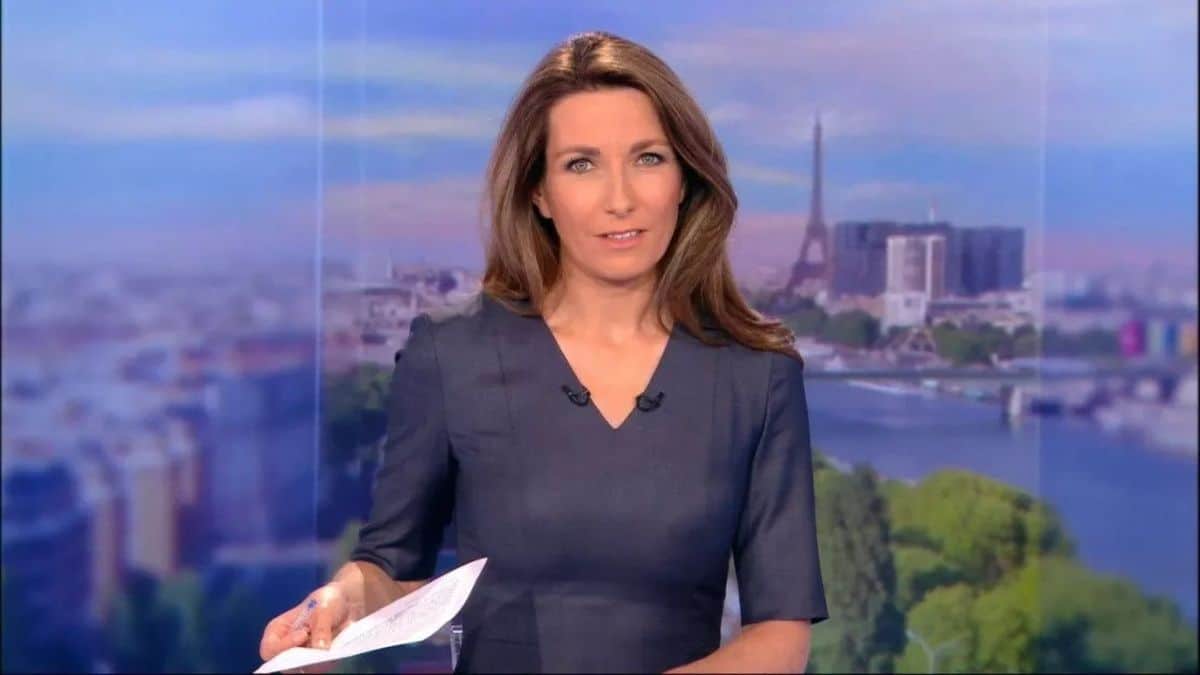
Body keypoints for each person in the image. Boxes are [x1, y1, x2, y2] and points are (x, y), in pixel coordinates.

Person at [260, 30, 828, 673]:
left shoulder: (757, 374)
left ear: (685, 179)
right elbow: (390, 565)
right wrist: (337, 604)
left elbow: (781, 639)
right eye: (581, 164)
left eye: (648, 158)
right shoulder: (451, 354)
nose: (621, 198)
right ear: (539, 192)